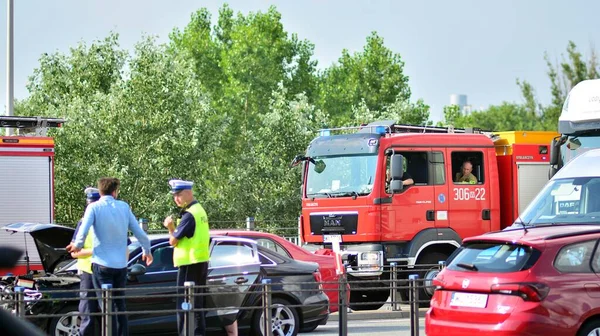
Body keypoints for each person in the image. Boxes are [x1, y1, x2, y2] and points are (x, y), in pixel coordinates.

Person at [66, 177, 153, 336]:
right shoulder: (124, 207)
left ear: (100, 192)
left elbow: (83, 231)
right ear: (115, 191)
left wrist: (77, 245)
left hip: (101, 265)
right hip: (120, 266)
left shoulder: (93, 207)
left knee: (107, 306)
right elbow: (140, 233)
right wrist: (146, 251)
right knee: (120, 305)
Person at [163, 179, 210, 336]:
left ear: (189, 193)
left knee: (187, 305)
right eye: (174, 195)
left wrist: (170, 227)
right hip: (199, 262)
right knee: (197, 304)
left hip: (190, 263)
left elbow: (173, 241)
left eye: (179, 194)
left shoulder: (190, 215)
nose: (176, 198)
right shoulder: (199, 210)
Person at [70, 187, 101, 336]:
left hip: (105, 271)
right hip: (88, 273)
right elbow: (73, 252)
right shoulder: (83, 223)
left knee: (106, 312)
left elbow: (124, 246)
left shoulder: (108, 221)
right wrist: (96, 250)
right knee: (87, 313)